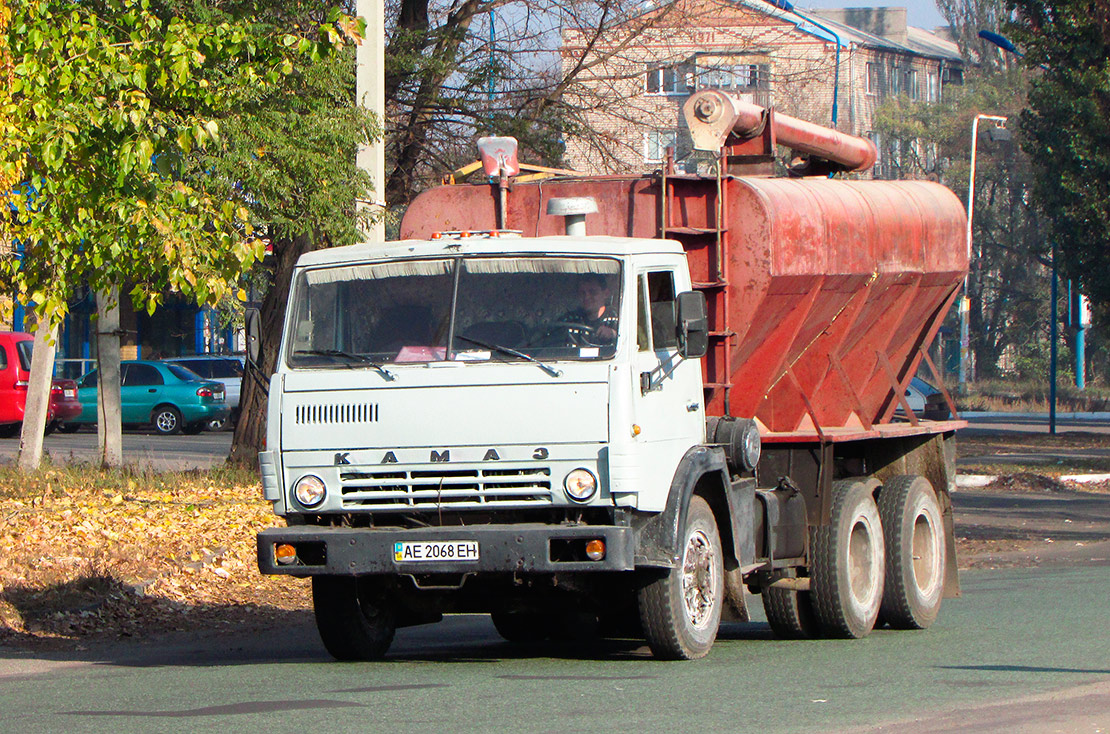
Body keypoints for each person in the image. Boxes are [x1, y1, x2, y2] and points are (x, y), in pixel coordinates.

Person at [560, 274, 617, 344]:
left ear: (606, 293)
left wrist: (613, 334)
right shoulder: (569, 320)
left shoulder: (617, 319)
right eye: (582, 293)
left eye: (593, 292)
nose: (587, 297)